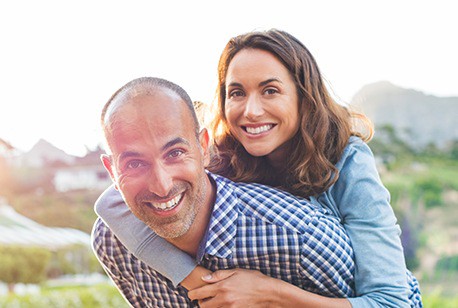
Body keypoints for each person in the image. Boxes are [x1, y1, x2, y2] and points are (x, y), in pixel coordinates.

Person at [95, 29, 422, 307]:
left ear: (303, 96)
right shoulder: (220, 152)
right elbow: (111, 203)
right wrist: (197, 281)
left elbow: (390, 301)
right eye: (236, 93)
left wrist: (270, 293)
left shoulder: (347, 160)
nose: (250, 111)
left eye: (270, 91)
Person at [92, 76, 357, 307]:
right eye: (135, 163)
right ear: (112, 171)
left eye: (175, 153)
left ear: (204, 147)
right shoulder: (112, 243)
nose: (161, 186)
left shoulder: (303, 238)